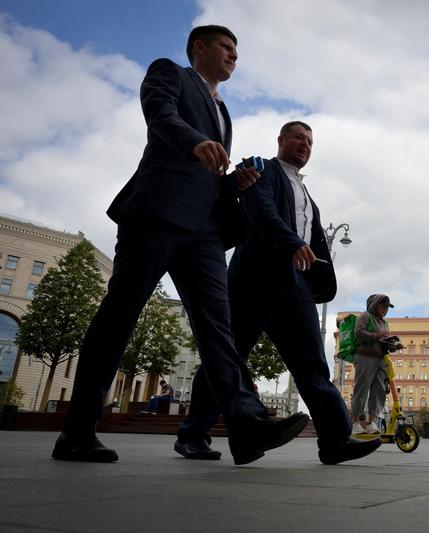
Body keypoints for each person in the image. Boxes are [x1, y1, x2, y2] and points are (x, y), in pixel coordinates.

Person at [52, 25, 309, 465]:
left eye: (236, 50)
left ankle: (246, 428)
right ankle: (77, 432)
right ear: (200, 48)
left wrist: (234, 183)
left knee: (218, 328)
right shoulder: (169, 73)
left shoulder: (224, 111)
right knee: (120, 315)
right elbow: (160, 115)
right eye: (226, 47)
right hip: (156, 213)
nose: (233, 55)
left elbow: (207, 173)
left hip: (205, 231)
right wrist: (196, 141)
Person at [177, 121, 381, 465]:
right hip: (254, 280)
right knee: (228, 356)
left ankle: (335, 440)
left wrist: (316, 274)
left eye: (310, 142)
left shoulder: (307, 196)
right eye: (299, 138)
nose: (305, 145)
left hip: (296, 286)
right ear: (281, 140)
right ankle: (194, 434)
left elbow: (313, 237)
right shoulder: (262, 168)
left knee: (312, 364)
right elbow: (261, 211)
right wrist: (292, 243)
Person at [351, 294, 393, 435]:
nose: (385, 309)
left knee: (379, 390)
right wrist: (377, 336)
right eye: (383, 305)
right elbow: (358, 332)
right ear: (375, 305)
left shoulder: (385, 323)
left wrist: (393, 344)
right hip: (365, 357)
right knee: (362, 388)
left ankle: (372, 422)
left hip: (381, 359)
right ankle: (355, 422)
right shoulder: (365, 316)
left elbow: (384, 340)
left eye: (387, 307)